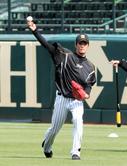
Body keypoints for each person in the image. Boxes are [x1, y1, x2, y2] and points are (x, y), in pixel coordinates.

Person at [27, 19, 96, 160]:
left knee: (78, 121)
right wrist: (35, 31)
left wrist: (86, 95)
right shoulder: (64, 56)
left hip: (77, 101)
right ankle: (47, 145)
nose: (82, 46)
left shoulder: (91, 66)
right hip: (62, 98)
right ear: (76, 45)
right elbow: (46, 46)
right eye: (80, 43)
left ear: (88, 46)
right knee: (55, 128)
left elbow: (88, 85)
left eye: (84, 43)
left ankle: (75, 152)